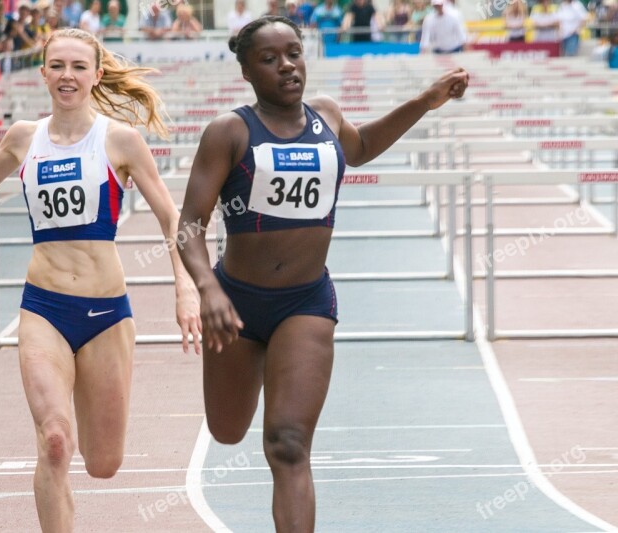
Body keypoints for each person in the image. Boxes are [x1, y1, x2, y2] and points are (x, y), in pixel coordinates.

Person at [0, 27, 201, 532]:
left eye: (77, 67)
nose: (66, 76)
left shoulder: (119, 140)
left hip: (105, 314)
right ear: (43, 72)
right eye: (57, 66)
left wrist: (184, 286)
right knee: (54, 440)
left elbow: (170, 215)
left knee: (102, 463)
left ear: (96, 74)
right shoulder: (25, 137)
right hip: (43, 309)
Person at [177, 16, 467, 532]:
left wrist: (425, 102)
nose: (287, 66)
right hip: (235, 302)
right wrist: (208, 290)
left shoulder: (327, 116)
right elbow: (188, 227)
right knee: (226, 431)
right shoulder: (230, 131)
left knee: (287, 445)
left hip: (305, 303)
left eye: (294, 53)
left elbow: (360, 148)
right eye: (270, 59)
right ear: (246, 70)